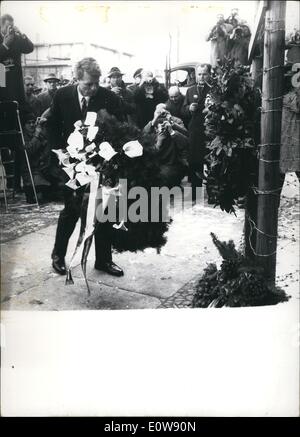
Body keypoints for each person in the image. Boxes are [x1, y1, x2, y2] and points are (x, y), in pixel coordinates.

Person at [47, 57, 125, 277]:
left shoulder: (108, 98)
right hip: (72, 164)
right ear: (76, 79)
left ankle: (103, 260)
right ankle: (58, 255)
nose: (93, 88)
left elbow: (120, 128)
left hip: (101, 164)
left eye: (96, 83)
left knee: (102, 211)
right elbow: (51, 124)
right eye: (88, 84)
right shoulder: (62, 96)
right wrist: (58, 151)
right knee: (71, 210)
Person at [182, 63, 211, 200]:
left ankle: (213, 193)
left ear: (209, 75)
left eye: (204, 74)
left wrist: (211, 110)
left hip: (209, 129)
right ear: (195, 75)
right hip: (194, 130)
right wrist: (189, 108)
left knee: (211, 161)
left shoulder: (214, 90)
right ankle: (195, 193)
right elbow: (183, 110)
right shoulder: (190, 90)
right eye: (199, 74)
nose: (201, 77)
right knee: (195, 161)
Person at [22, 112, 62, 203]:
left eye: (33, 122)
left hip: (44, 167)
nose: (32, 125)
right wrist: (36, 134)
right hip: (31, 170)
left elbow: (48, 147)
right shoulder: (22, 137)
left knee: (60, 186)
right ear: (24, 125)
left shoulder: (39, 133)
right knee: (38, 194)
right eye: (29, 123)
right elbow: (30, 149)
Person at [147, 108, 189, 188]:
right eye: (158, 113)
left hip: (172, 164)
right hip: (156, 164)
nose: (162, 125)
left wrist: (171, 130)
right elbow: (142, 136)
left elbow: (185, 142)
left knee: (166, 176)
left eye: (164, 113)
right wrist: (159, 140)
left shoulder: (175, 123)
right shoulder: (152, 125)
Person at [0, 14, 34, 106]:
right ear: (1, 26)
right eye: (7, 26)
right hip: (2, 76)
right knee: (4, 103)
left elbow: (30, 48)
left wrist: (21, 34)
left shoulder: (16, 38)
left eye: (11, 26)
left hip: (16, 79)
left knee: (17, 105)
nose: (10, 29)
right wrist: (5, 45)